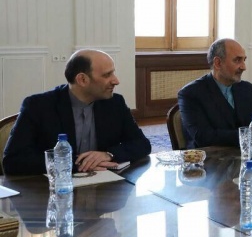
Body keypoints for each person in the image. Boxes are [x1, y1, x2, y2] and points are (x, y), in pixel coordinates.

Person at [3, 50, 151, 175]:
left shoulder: (115, 103)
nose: (116, 81)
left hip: (105, 187)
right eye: (107, 75)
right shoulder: (38, 106)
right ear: (82, 80)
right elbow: (14, 161)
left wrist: (109, 154)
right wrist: (78, 163)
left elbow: (142, 144)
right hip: (51, 190)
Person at [178, 38, 252, 148]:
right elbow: (203, 137)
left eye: (244, 60)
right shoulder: (191, 94)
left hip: (249, 155)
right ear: (218, 63)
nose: (244, 67)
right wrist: (250, 135)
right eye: (237, 60)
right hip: (211, 157)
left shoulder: (250, 90)